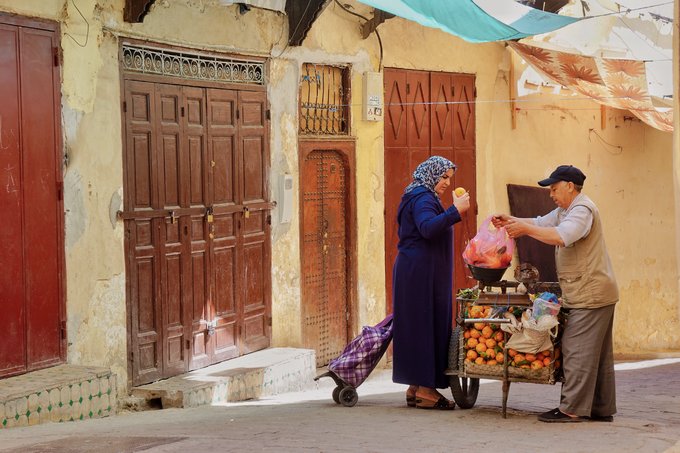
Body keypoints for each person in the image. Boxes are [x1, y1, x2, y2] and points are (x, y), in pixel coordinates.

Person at [492, 165, 618, 423]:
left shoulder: (582, 211)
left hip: (590, 292)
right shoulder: (566, 210)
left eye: (554, 188)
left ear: (570, 187)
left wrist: (524, 230)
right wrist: (513, 222)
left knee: (576, 349)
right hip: (592, 290)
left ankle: (571, 409)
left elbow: (562, 236)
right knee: (597, 353)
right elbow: (540, 222)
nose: (551, 194)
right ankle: (600, 408)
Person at [392, 156, 470, 410]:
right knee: (427, 325)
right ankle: (426, 390)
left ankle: (415, 386)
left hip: (416, 270)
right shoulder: (424, 198)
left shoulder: (415, 194)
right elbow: (426, 228)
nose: (447, 182)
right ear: (431, 174)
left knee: (416, 326)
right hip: (421, 274)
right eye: (444, 177)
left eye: (449, 178)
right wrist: (455, 211)